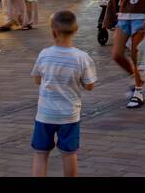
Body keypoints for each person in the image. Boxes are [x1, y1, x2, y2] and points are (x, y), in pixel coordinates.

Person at [31, 10, 97, 177]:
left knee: (40, 154)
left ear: (53, 31)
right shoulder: (82, 57)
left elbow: (37, 80)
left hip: (45, 114)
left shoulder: (45, 54)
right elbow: (90, 86)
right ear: (75, 30)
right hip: (69, 115)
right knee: (69, 154)